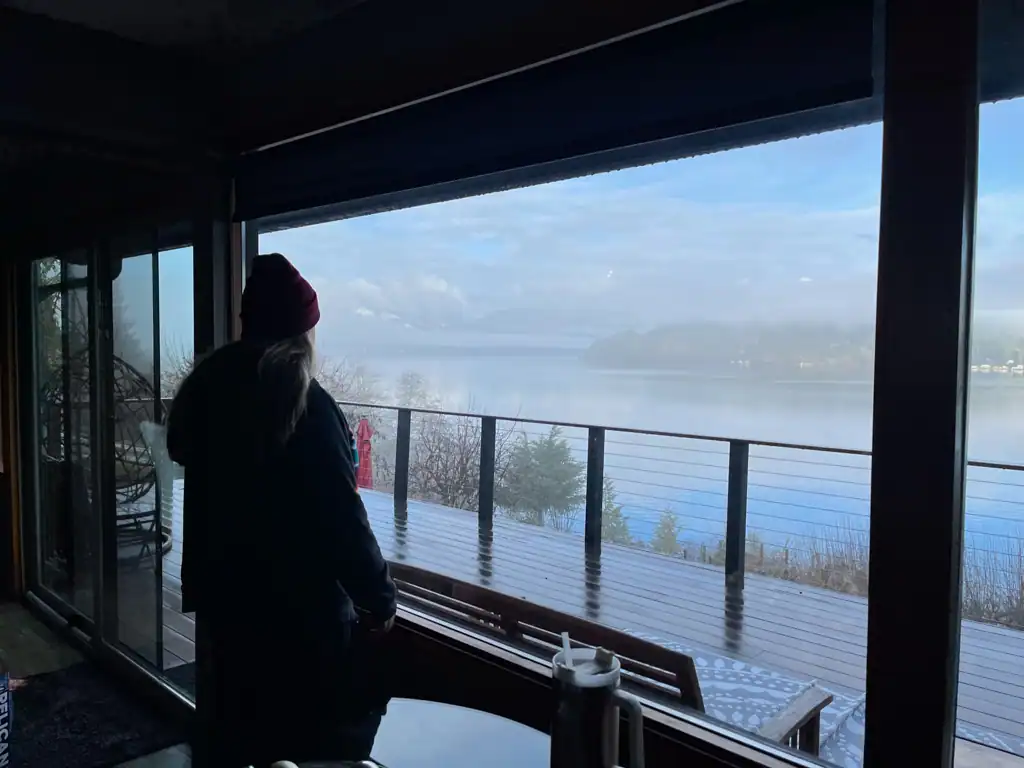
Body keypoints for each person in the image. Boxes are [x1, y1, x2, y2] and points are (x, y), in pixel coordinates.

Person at [167, 252, 397, 766]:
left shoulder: (212, 391)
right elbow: (344, 522)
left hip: (228, 615)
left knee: (237, 745)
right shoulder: (308, 407)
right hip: (300, 630)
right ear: (302, 336)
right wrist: (380, 600)